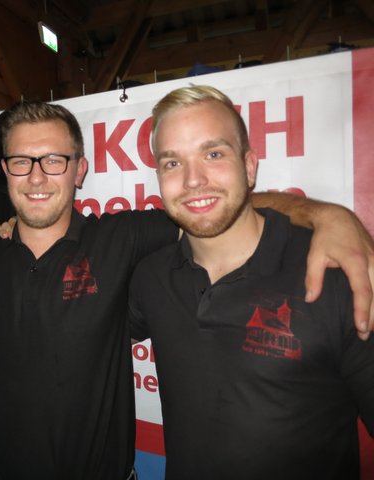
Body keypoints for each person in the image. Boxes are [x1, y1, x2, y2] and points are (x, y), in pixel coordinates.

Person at [0, 102, 374, 479]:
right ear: (5, 172)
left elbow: (215, 204)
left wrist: (328, 215)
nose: (37, 176)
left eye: (54, 160)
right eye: (22, 161)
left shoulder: (124, 239)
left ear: (80, 169)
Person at [128, 85, 374, 479]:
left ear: (250, 167)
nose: (193, 180)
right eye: (172, 162)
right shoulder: (151, 278)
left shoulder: (336, 274)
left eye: (213, 154)